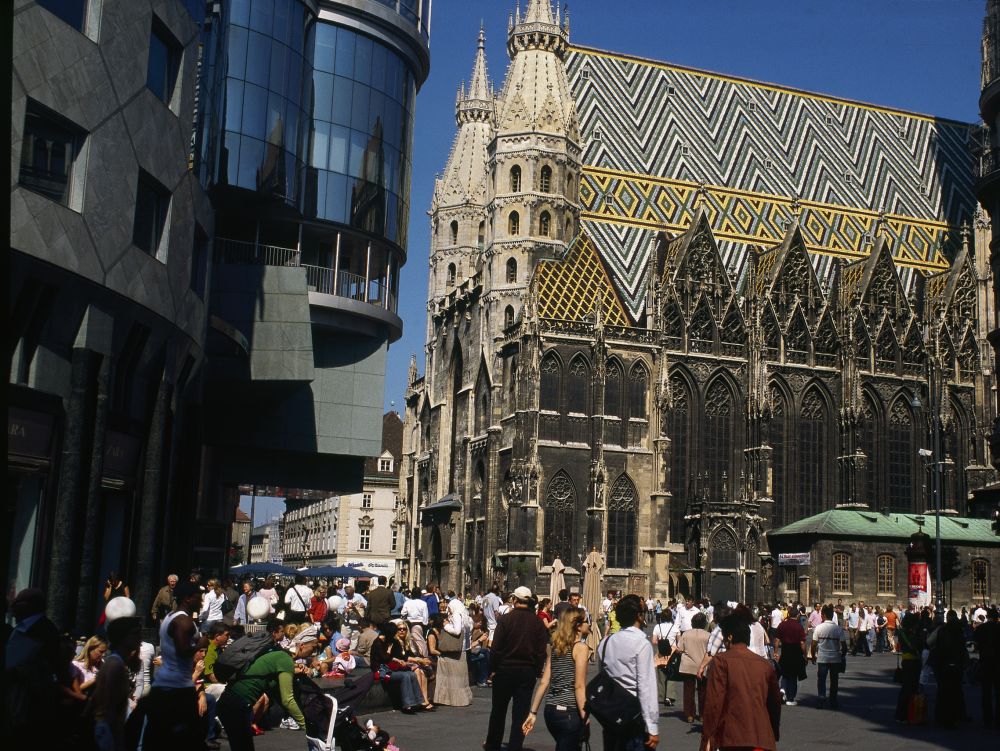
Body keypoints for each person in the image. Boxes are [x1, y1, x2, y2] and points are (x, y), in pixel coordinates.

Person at [216, 617, 311, 751]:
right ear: (302, 645)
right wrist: (307, 726)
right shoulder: (283, 658)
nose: (316, 647)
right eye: (314, 644)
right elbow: (287, 700)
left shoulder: (275, 654)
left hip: (230, 702)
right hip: (235, 705)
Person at [701, 614, 781, 751]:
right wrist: (773, 732)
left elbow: (714, 703)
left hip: (733, 738)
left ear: (730, 637)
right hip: (762, 738)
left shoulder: (721, 661)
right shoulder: (765, 665)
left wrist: (708, 737)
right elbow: (774, 703)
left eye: (725, 637)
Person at [140, 580, 205, 750]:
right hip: (177, 687)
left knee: (160, 736)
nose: (202, 602)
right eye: (199, 598)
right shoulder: (183, 621)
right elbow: (183, 650)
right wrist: (201, 643)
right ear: (188, 599)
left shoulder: (170, 617)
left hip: (166, 684)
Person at [484, 586, 550, 751]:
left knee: (498, 711)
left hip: (504, 670)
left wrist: (492, 669)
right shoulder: (537, 623)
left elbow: (496, 648)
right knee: (521, 713)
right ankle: (515, 745)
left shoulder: (506, 620)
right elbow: (541, 652)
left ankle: (493, 744)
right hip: (526, 672)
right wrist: (535, 670)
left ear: (514, 600)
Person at [523, 607, 591, 751]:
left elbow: (544, 682)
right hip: (569, 712)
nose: (589, 624)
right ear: (578, 625)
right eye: (586, 621)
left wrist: (533, 713)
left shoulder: (556, 647)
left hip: (551, 711)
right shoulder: (581, 648)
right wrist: (585, 716)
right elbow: (579, 686)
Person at [597, 594, 658, 750]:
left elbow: (602, 678)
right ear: (639, 616)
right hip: (632, 714)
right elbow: (645, 687)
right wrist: (652, 726)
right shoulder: (641, 644)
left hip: (610, 714)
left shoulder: (605, 643)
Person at [3, 587, 63, 747]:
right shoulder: (22, 628)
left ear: (29, 606)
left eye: (17, 603)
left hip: (28, 707)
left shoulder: (42, 631)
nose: (13, 608)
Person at [89, 614, 142, 751]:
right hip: (107, 734)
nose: (139, 637)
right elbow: (106, 709)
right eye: (135, 633)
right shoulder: (114, 666)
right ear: (123, 637)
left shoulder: (119, 664)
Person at [370, 621, 433, 713]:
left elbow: (396, 657)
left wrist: (398, 660)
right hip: (381, 671)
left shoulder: (390, 641)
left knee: (411, 674)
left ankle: (419, 701)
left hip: (390, 668)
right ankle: (408, 705)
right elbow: (384, 658)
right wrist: (389, 649)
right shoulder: (378, 643)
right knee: (405, 676)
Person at [930, 609, 969, 727]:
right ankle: (957, 715)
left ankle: (942, 717)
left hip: (943, 665)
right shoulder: (960, 632)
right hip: (956, 665)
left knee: (943, 691)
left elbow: (930, 642)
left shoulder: (941, 630)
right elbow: (963, 649)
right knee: (956, 691)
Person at [672, 611, 709, 724]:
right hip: (702, 665)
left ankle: (689, 714)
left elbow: (679, 649)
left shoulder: (686, 634)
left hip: (688, 665)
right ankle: (702, 714)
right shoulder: (708, 635)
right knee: (703, 691)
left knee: (689, 690)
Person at [435, 596, 473, 706]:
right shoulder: (466, 617)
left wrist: (446, 626)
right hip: (462, 648)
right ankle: (461, 699)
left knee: (450, 675)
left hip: (453, 648)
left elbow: (456, 631)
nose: (448, 609)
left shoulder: (456, 615)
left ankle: (450, 699)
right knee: (459, 677)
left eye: (450, 607)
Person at [811, 604, 847, 709]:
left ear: (823, 616)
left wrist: (813, 656)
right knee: (834, 680)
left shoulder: (818, 628)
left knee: (821, 679)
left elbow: (813, 644)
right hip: (835, 658)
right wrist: (842, 655)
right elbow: (844, 646)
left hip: (822, 658)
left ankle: (821, 698)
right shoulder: (838, 629)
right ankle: (833, 700)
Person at [972, 606, 1000, 728]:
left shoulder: (982, 628)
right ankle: (998, 719)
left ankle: (987, 719)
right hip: (998, 662)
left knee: (986, 692)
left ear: (987, 616)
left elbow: (976, 644)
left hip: (985, 662)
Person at [773, 606, 807, 706]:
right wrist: (805, 655)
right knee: (793, 676)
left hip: (785, 651)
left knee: (784, 673)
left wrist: (775, 652)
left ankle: (783, 690)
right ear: (797, 615)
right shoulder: (799, 626)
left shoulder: (782, 625)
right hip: (795, 652)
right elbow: (802, 643)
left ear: (788, 614)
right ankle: (790, 698)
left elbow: (777, 640)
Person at [894, 611, 924, 723]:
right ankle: (905, 714)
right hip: (912, 661)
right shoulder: (911, 634)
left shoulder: (902, 633)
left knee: (907, 688)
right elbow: (917, 645)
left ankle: (905, 713)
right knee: (910, 688)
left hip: (906, 661)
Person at [650, 609, 678, 707]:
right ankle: (669, 696)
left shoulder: (657, 627)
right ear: (671, 617)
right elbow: (679, 641)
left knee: (661, 675)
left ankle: (662, 695)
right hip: (672, 653)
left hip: (661, 653)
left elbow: (654, 641)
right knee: (671, 674)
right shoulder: (675, 627)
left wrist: (662, 643)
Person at [401, 586, 430, 657]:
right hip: (419, 624)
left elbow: (403, 613)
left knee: (409, 641)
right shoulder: (423, 603)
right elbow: (425, 616)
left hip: (409, 624)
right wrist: (425, 624)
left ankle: (413, 655)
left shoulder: (408, 603)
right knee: (420, 641)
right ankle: (423, 655)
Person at [468, 612, 492, 687]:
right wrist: (480, 639)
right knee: (485, 654)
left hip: (476, 652)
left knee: (485, 653)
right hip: (469, 653)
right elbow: (470, 646)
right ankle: (483, 679)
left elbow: (485, 646)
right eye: (477, 621)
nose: (479, 623)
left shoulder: (483, 631)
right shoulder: (469, 631)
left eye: (481, 622)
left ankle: (483, 680)